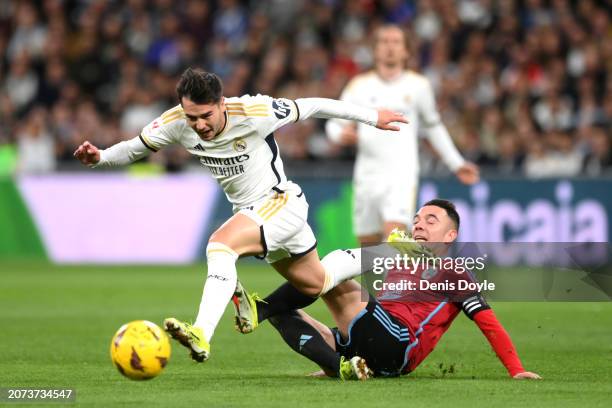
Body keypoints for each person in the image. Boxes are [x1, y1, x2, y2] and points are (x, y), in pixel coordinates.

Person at [73, 67, 407, 363]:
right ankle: (394, 252)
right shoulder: (177, 122)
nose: (200, 125)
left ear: (221, 103)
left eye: (206, 115)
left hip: (281, 201)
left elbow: (313, 105)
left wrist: (372, 116)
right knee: (316, 281)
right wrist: (100, 157)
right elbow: (135, 147)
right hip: (253, 214)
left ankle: (201, 333)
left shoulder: (253, 110)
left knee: (219, 246)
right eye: (193, 118)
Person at [232, 199, 542, 380]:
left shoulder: (455, 272)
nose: (419, 224)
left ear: (450, 235)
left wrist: (516, 370)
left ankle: (262, 310)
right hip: (370, 340)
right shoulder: (400, 260)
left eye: (430, 221)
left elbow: (487, 321)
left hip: (399, 345)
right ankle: (338, 365)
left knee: (328, 276)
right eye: (417, 219)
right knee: (287, 312)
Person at [326, 24, 480, 245]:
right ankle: (382, 280)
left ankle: (404, 279)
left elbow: (433, 127)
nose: (390, 47)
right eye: (384, 42)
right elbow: (334, 124)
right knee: (368, 245)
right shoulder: (359, 86)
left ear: (406, 51)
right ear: (375, 49)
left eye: (396, 42)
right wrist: (340, 136)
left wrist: (456, 163)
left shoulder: (418, 86)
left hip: (401, 175)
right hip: (367, 176)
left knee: (394, 236)